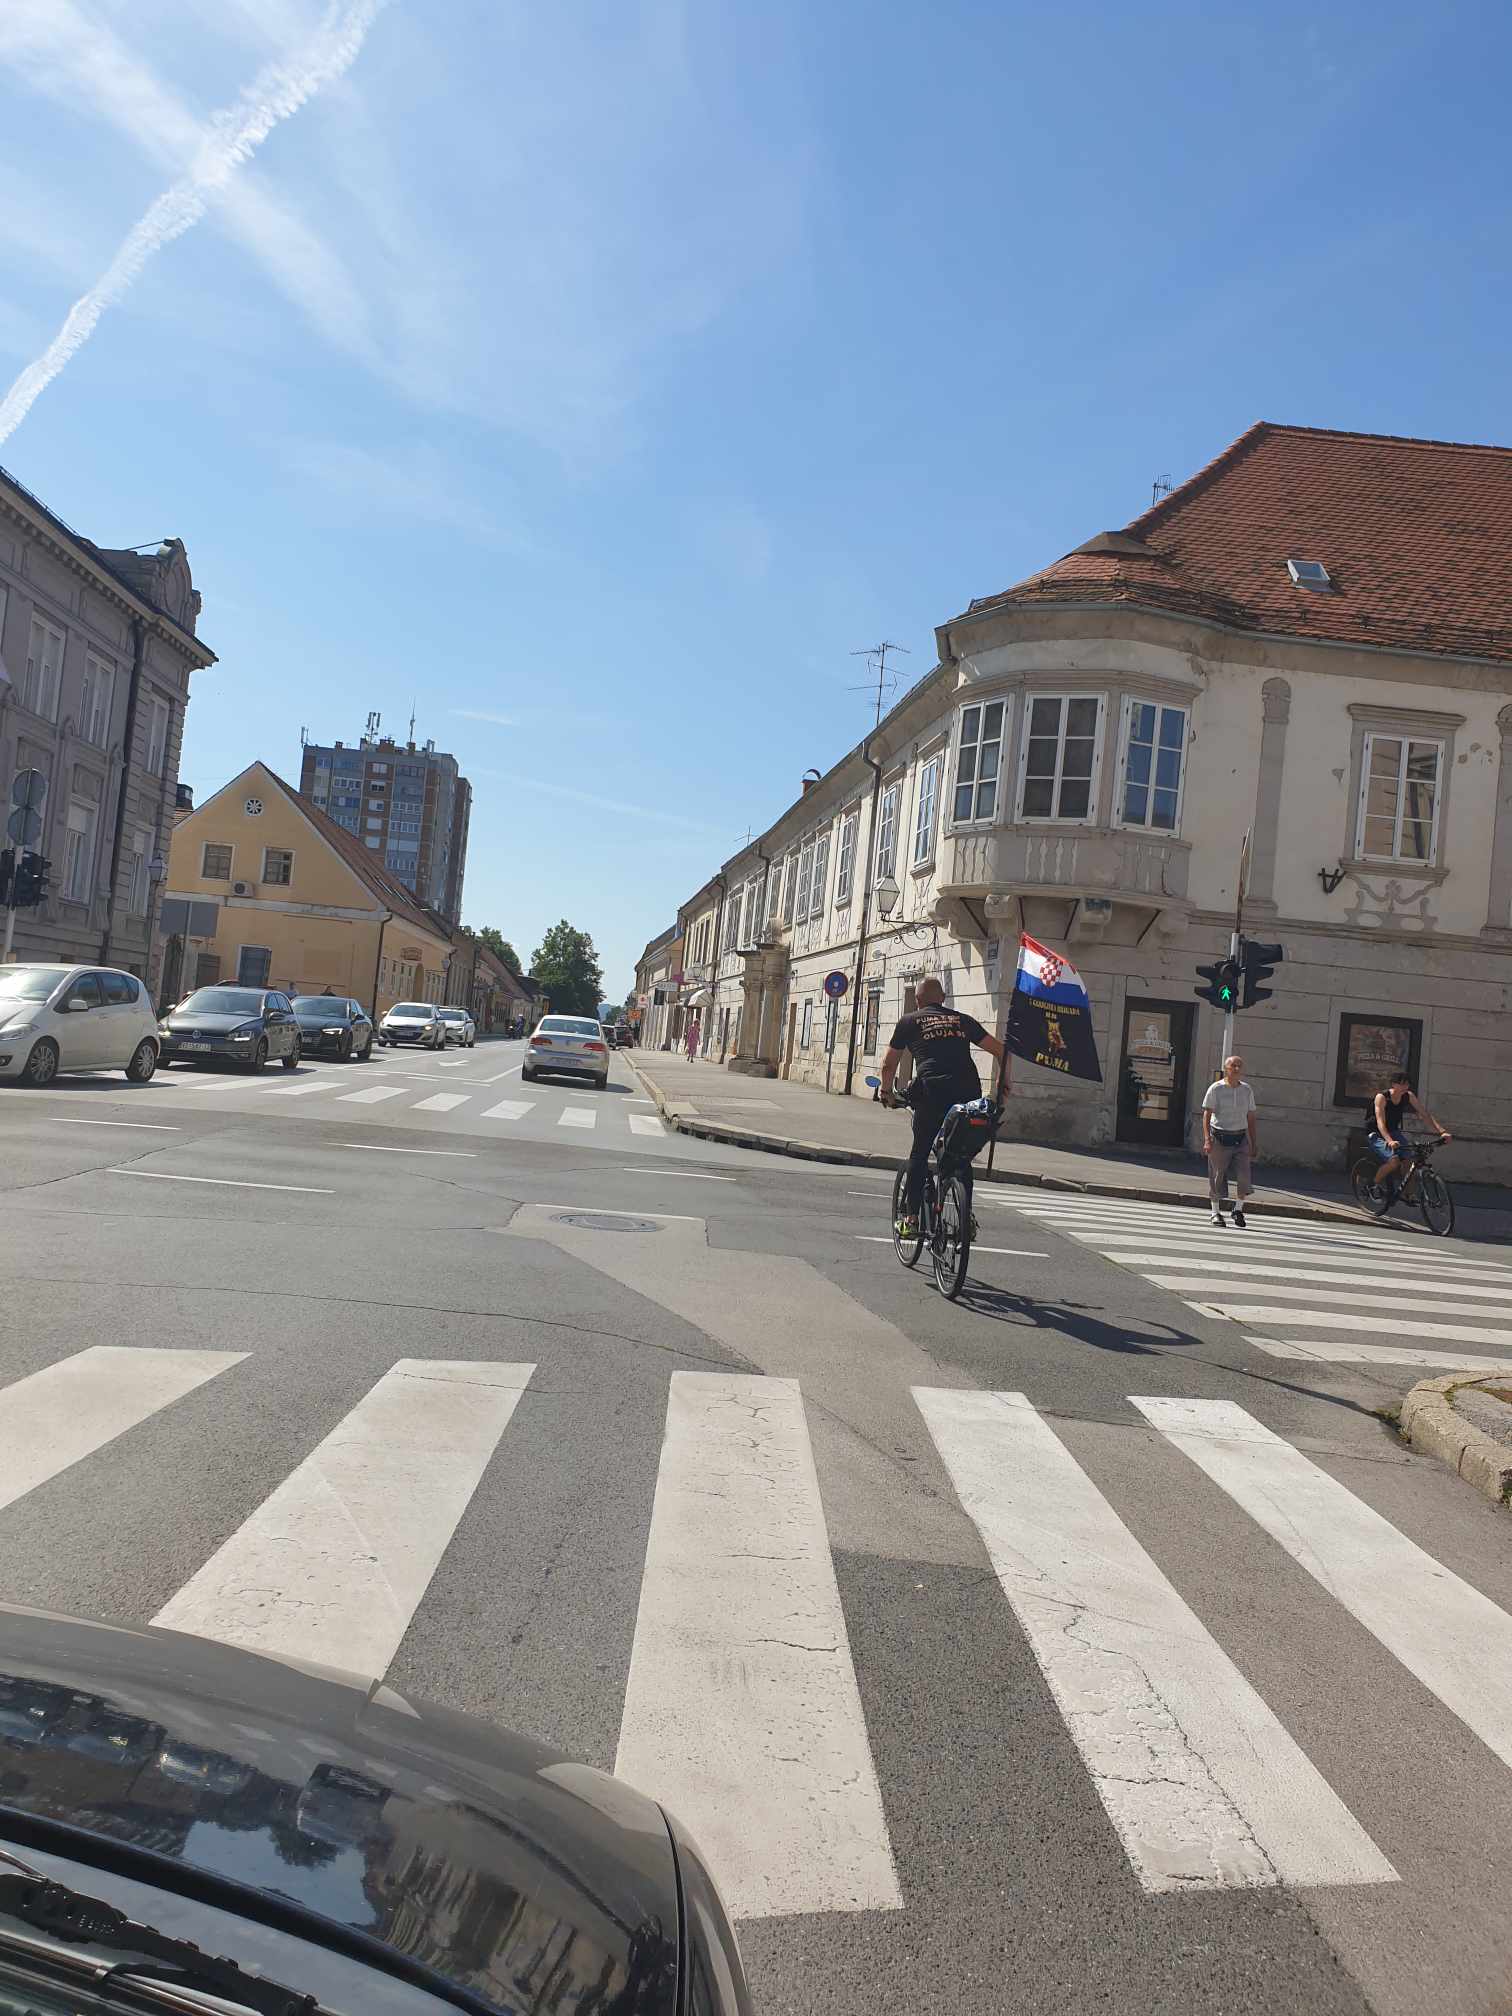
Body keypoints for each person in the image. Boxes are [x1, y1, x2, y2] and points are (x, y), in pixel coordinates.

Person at [877, 978, 1007, 1233]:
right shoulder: (963, 1020)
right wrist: (1003, 1085)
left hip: (932, 1092)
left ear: (917, 1001)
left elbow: (888, 1065)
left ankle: (911, 1220)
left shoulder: (909, 1021)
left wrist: (886, 1092)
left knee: (919, 1153)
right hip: (968, 1093)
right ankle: (966, 1218)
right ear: (943, 998)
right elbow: (1002, 1051)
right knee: (960, 1157)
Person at [1367, 1070, 1450, 1190]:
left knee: (1408, 1160)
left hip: (1393, 1131)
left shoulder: (1408, 1096)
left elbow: (1425, 1114)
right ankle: (1372, 1185)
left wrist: (1442, 1132)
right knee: (1394, 1161)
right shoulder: (1382, 1097)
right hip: (1376, 1133)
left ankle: (1408, 1194)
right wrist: (1390, 1141)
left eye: (1407, 1084)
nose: (1405, 1087)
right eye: (1401, 1084)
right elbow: (1380, 1123)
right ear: (1393, 1084)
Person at [1202, 1055, 1257, 1228]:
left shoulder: (1246, 1090)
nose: (1237, 1069)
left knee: (1244, 1176)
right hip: (1219, 1137)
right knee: (1217, 1176)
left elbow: (1251, 1116)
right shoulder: (1216, 1088)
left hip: (1240, 1138)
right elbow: (1207, 1114)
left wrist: (1253, 1142)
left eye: (1239, 1066)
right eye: (1233, 1065)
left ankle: (1238, 1209)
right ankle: (1215, 1212)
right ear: (1226, 1068)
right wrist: (1207, 1139)